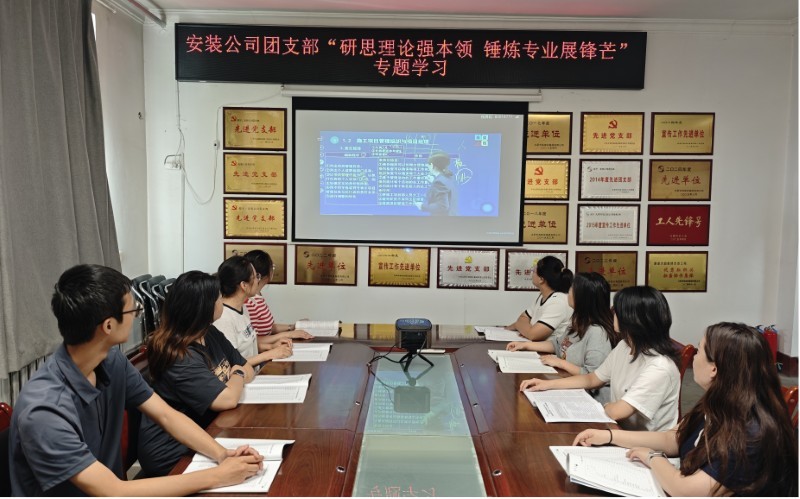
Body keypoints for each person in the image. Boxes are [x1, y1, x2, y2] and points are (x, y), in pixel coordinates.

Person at [8, 264, 262, 496]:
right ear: (108, 326)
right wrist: (218, 476)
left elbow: (166, 415)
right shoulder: (44, 410)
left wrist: (222, 454)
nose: (138, 315)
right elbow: (113, 491)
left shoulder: (111, 361)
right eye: (134, 309)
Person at [572, 322, 798, 497]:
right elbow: (674, 439)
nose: (694, 358)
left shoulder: (750, 433)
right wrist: (610, 436)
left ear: (714, 369)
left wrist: (652, 457)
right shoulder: (721, 402)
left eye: (699, 351)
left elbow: (685, 491)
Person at [137, 271, 258, 477]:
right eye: (219, 298)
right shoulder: (178, 355)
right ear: (205, 307)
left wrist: (237, 374)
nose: (222, 301)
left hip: (207, 431)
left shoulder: (209, 332)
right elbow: (227, 399)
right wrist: (236, 373)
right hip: (173, 451)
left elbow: (248, 368)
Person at [520, 285, 680, 431]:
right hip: (616, 428)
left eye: (617, 310)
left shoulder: (660, 367)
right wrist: (547, 385)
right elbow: (592, 379)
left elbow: (617, 412)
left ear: (631, 318)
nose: (613, 313)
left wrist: (605, 406)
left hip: (643, 444)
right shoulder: (625, 346)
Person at [507, 272, 617, 403]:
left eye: (572, 289)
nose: (568, 292)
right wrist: (525, 345)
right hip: (569, 386)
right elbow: (557, 344)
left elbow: (593, 376)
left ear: (583, 297)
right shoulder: (578, 322)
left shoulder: (597, 332)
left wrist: (561, 363)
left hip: (590, 398)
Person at [214, 255, 292, 367]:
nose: (258, 281)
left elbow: (249, 347)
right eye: (256, 277)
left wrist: (271, 347)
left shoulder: (242, 307)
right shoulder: (224, 318)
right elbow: (231, 364)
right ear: (244, 285)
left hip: (254, 372)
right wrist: (269, 354)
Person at [242, 249, 313, 342]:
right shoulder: (248, 302)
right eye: (272, 267)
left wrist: (292, 327)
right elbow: (253, 341)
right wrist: (288, 334)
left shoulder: (258, 296)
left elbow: (269, 328)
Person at [506, 255, 573, 341]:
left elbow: (534, 335)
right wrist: (525, 329)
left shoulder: (558, 301)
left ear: (541, 279)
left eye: (534, 271)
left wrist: (519, 326)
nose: (532, 274)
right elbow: (523, 318)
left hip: (552, 349)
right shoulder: (543, 296)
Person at [415, 150, 458, 216]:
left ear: (432, 165)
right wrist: (434, 181)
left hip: (441, 220)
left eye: (428, 165)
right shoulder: (449, 177)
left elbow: (442, 206)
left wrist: (422, 206)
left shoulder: (439, 182)